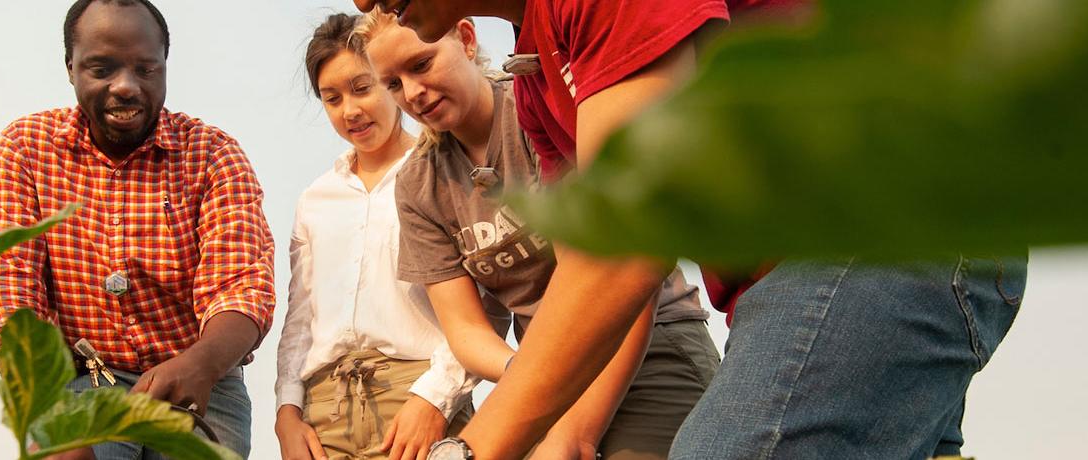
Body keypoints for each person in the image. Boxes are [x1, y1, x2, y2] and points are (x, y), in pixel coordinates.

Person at [351, 0, 1030, 459]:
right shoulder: (538, 91)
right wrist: (567, 436)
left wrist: (472, 448)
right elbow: (605, 259)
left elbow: (625, 250)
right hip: (776, 289)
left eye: (418, 66)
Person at [350, 11, 721, 460]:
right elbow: (466, 329)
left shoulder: (536, 109)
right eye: (393, 84)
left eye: (421, 65)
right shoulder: (417, 186)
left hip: (645, 342)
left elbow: (619, 269)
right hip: (545, 373)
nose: (412, 93)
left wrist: (572, 432)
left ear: (466, 39)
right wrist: (530, 374)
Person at [0, 0, 274, 457]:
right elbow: (8, 290)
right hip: (81, 380)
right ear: (70, 68)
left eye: (146, 69)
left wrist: (202, 363)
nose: (126, 86)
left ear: (165, 66)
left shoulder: (213, 153)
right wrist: (50, 409)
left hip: (201, 377)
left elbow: (241, 285)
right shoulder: (27, 149)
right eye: (102, 69)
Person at [273, 12, 486, 460]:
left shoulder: (444, 174)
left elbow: (481, 304)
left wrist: (436, 397)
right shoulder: (316, 198)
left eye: (362, 88)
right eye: (332, 98)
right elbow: (301, 318)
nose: (349, 110)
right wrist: (286, 412)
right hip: (324, 416)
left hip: (418, 404)